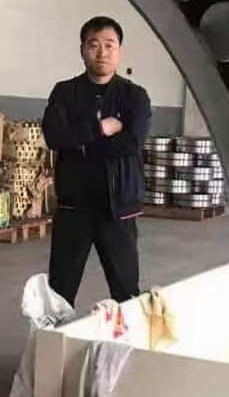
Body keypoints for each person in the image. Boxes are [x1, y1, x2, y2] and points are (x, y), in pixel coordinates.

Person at [42, 17, 152, 305]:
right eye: (94, 45)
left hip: (118, 210)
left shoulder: (134, 97)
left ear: (119, 51)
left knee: (127, 294)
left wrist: (79, 143)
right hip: (74, 208)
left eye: (109, 45)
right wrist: (101, 128)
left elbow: (131, 144)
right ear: (82, 50)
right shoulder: (65, 92)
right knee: (59, 295)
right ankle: (57, 335)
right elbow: (54, 137)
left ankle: (127, 337)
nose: (102, 52)